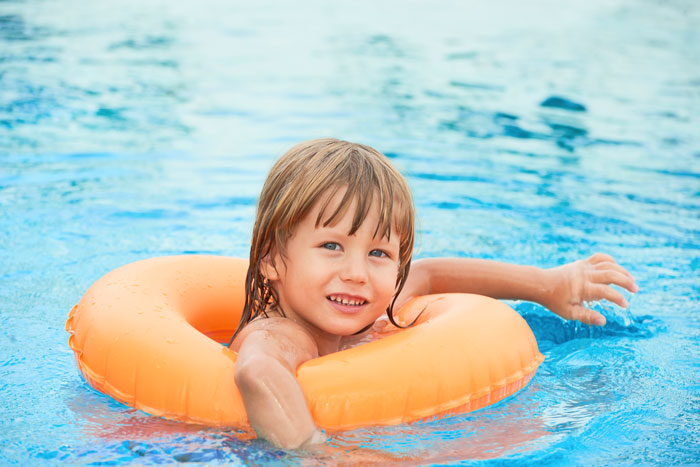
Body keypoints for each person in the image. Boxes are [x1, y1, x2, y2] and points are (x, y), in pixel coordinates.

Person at [228, 138, 638, 449]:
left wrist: (549, 285)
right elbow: (258, 372)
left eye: (378, 253)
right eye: (331, 246)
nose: (357, 274)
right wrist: (317, 453)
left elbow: (428, 274)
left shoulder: (365, 313)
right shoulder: (283, 334)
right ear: (271, 259)